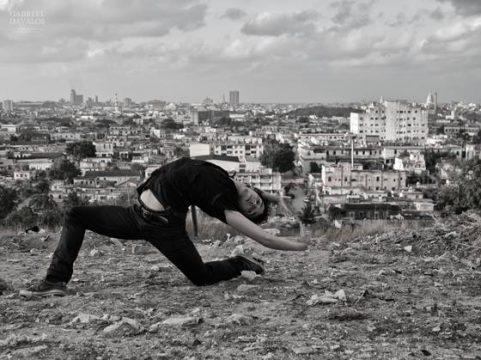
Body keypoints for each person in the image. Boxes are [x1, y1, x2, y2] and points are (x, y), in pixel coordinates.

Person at [24, 157, 308, 298]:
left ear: (240, 210)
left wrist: (300, 245)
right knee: (76, 215)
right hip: (136, 216)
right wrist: (277, 198)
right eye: (257, 199)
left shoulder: (220, 200)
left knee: (200, 276)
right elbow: (255, 193)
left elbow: (264, 238)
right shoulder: (227, 177)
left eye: (253, 209)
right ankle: (55, 281)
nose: (254, 201)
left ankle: (238, 263)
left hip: (164, 228)